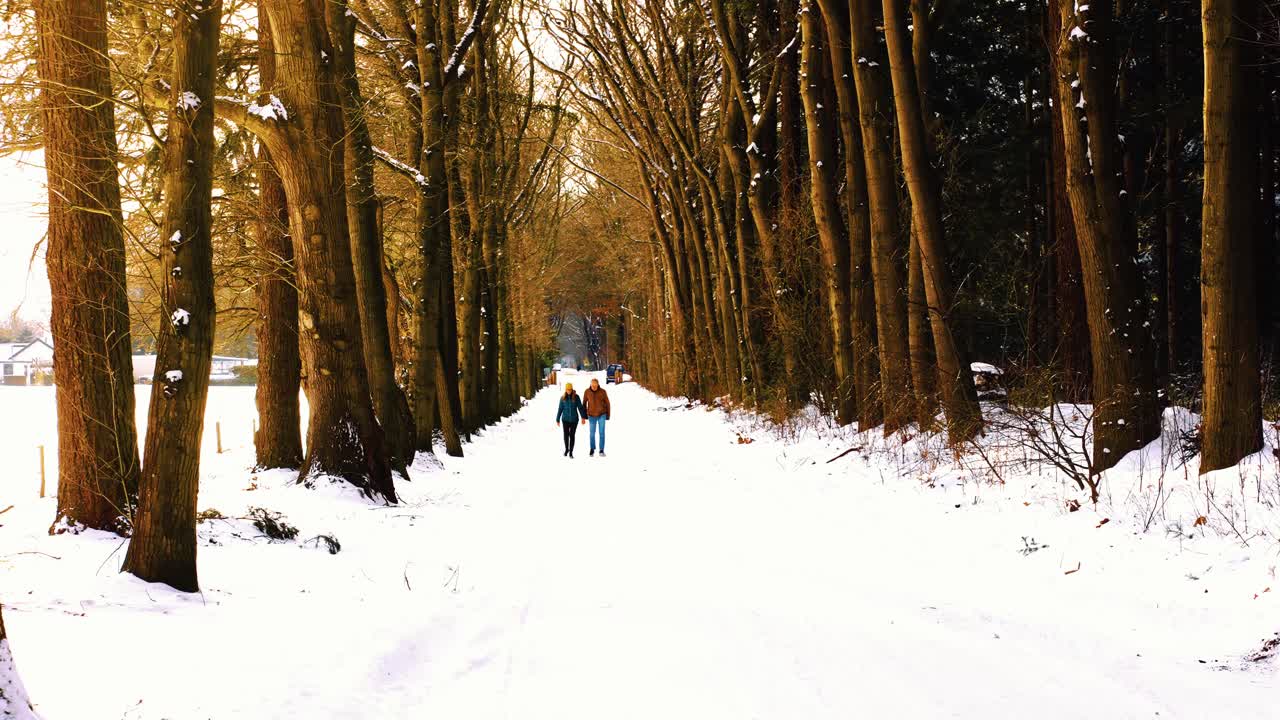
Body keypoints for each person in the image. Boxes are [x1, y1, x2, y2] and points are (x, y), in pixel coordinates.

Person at [555, 382, 586, 457]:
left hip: (574, 420)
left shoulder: (576, 397)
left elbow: (580, 407)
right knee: (566, 435)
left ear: (572, 389)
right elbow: (560, 409)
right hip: (565, 419)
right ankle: (566, 449)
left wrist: (583, 417)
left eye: (570, 389)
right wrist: (557, 419)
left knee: (572, 435)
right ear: (565, 390)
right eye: (567, 389)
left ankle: (571, 451)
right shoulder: (562, 398)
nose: (569, 391)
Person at [582, 377, 611, 457]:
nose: (594, 387)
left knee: (602, 433)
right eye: (592, 386)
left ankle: (601, 450)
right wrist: (583, 416)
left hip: (602, 414)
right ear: (590, 385)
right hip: (591, 415)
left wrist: (608, 415)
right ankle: (592, 448)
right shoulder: (587, 392)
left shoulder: (603, 392)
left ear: (598, 385)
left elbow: (608, 403)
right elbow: (584, 404)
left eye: (595, 386)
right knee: (592, 433)